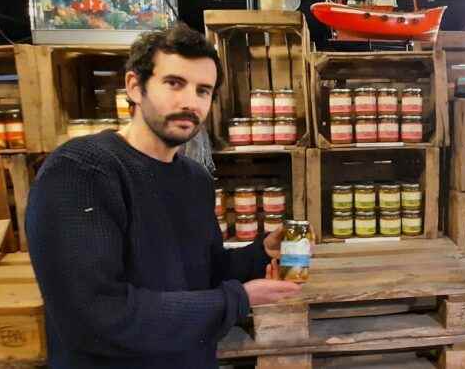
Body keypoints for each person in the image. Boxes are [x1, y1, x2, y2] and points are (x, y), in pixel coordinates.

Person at [25, 23, 301, 369]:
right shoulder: (81, 170)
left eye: (203, 91)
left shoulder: (194, 179)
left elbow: (204, 274)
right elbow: (94, 316)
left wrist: (261, 252)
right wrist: (237, 299)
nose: (189, 102)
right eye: (174, 83)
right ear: (134, 87)